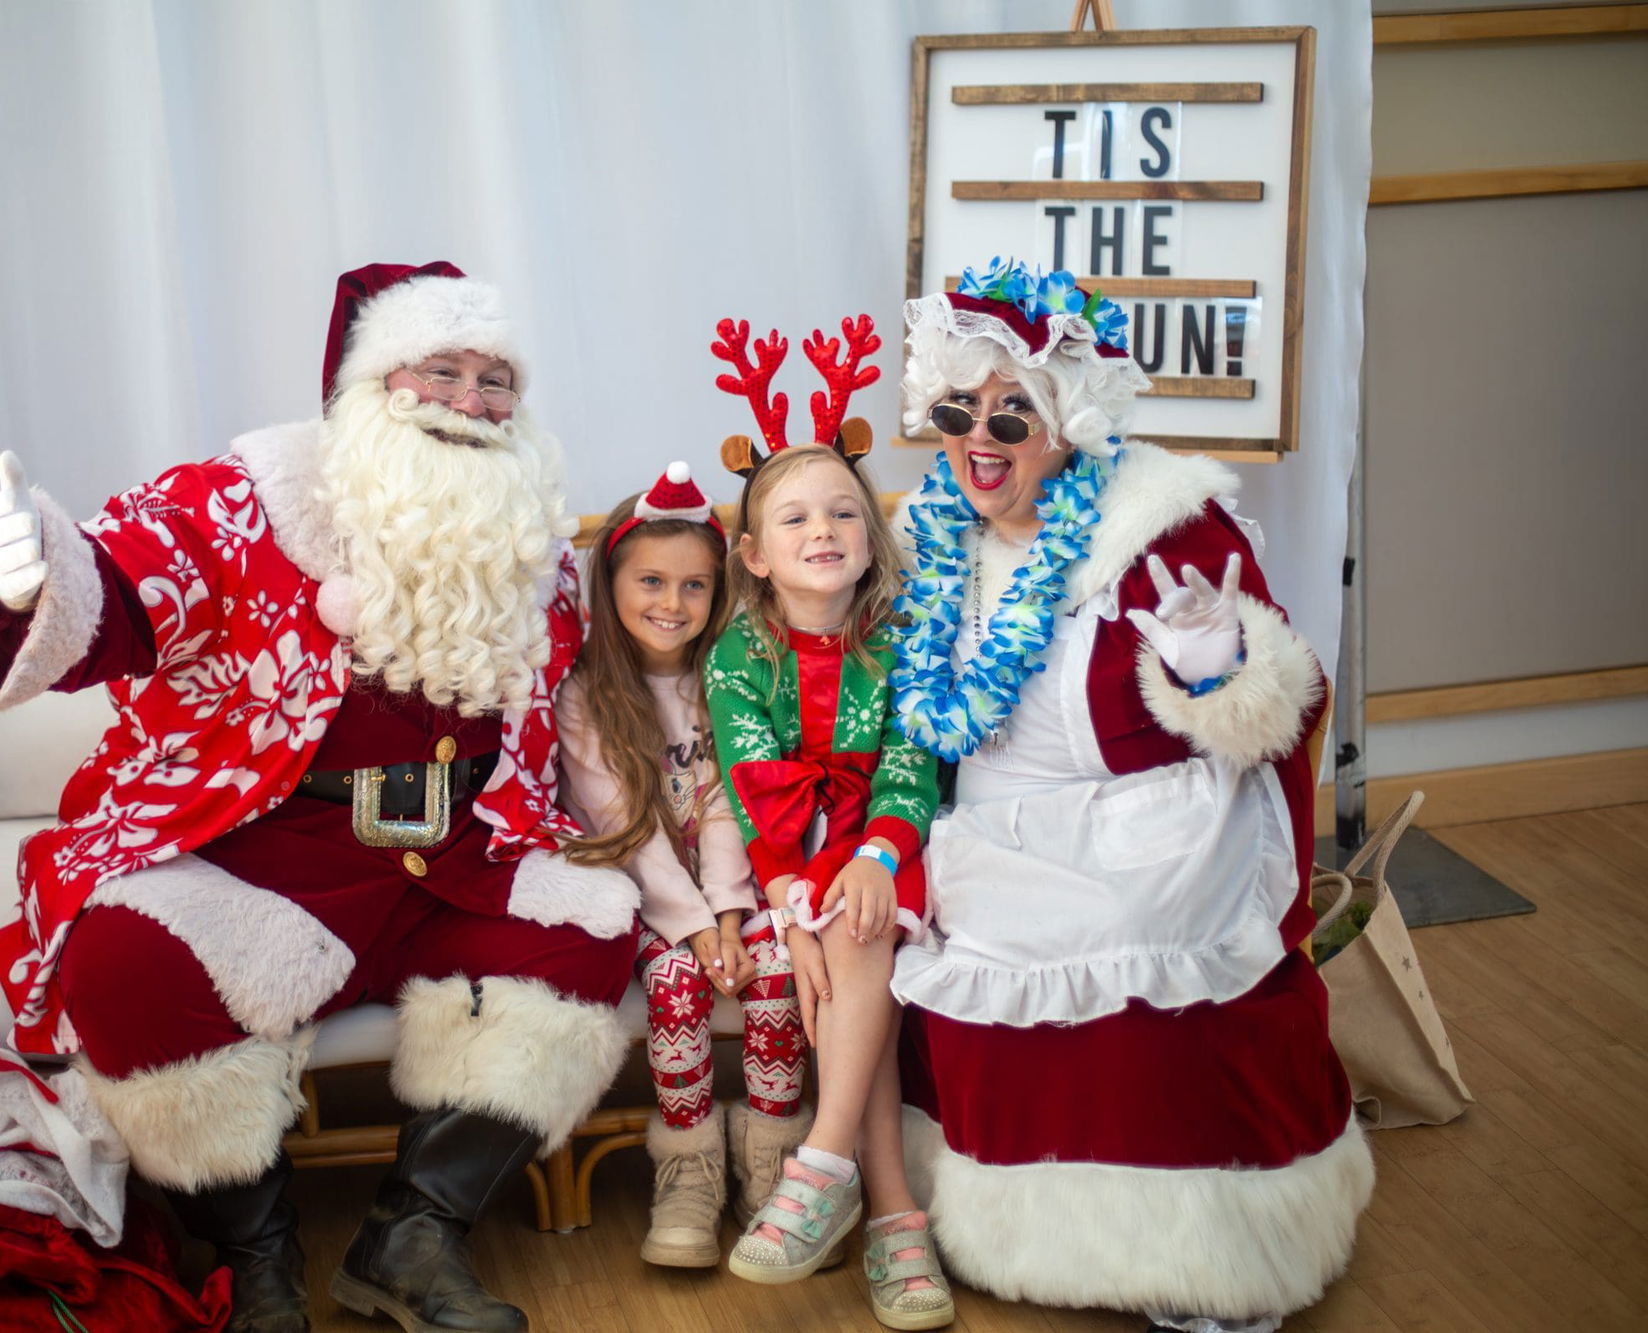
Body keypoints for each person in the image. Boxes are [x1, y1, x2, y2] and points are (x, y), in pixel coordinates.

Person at [0, 261, 641, 1333]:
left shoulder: (525, 537)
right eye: (439, 369)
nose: (471, 400)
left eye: (495, 379)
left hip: (457, 849)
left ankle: (408, 1234)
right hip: (266, 846)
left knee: (588, 928)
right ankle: (253, 1250)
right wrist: (25, 580)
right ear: (365, 386)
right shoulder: (241, 499)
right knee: (123, 962)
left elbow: (629, 665)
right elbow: (125, 589)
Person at [887, 258, 1372, 1333]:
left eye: (1013, 415)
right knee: (967, 926)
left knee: (1129, 920)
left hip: (1152, 814)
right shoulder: (930, 537)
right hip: (995, 820)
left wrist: (1213, 668)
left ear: (1067, 422)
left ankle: (1203, 1256)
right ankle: (1001, 1225)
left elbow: (1279, 703)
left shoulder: (1158, 529)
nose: (980, 437)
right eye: (959, 409)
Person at [701, 317, 955, 1330]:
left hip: (895, 848)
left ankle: (823, 1163)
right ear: (754, 554)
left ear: (869, 538)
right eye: (795, 518)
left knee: (867, 922)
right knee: (855, 944)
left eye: (843, 514)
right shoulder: (736, 660)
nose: (822, 530)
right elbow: (757, 790)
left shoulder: (896, 643)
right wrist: (796, 907)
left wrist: (882, 854)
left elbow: (910, 761)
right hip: (795, 871)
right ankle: (892, 1215)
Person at [556, 462, 810, 1270]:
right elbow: (624, 826)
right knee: (672, 985)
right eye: (652, 581)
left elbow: (737, 799)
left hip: (738, 882)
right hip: (649, 894)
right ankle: (689, 1171)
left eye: (695, 585)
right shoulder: (588, 695)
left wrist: (731, 917)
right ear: (613, 582)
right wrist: (696, 928)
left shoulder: (733, 674)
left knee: (777, 969)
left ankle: (773, 1165)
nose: (673, 603)